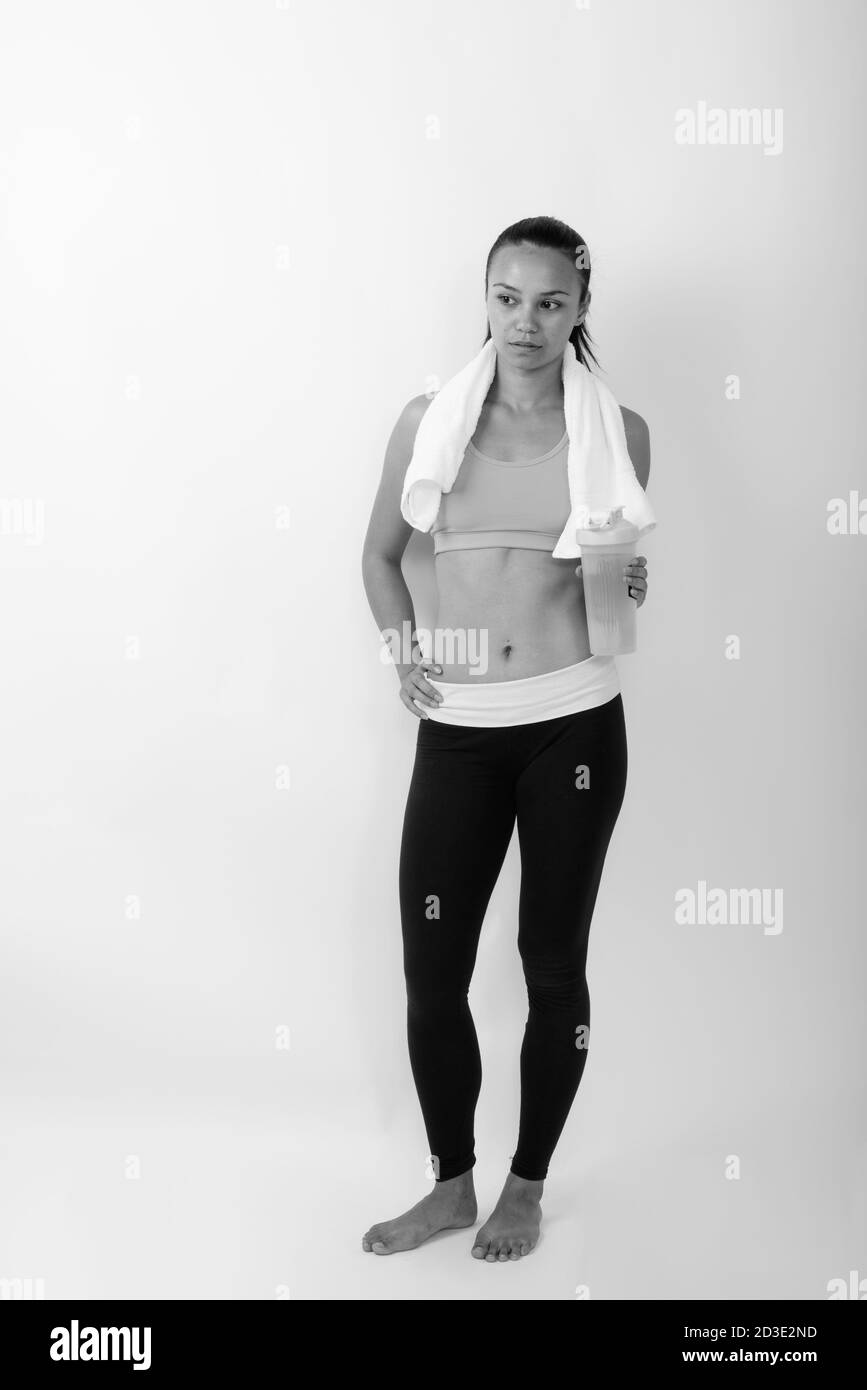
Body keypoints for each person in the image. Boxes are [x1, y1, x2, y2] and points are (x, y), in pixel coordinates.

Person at [360, 216, 650, 1262]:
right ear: (485, 299)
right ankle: (450, 1181)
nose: (527, 321)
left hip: (573, 720)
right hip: (462, 730)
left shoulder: (617, 433)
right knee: (432, 973)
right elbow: (381, 556)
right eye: (507, 297)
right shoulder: (425, 422)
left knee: (551, 965)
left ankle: (525, 1185)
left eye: (551, 301)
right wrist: (404, 650)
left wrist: (624, 587)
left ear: (580, 309)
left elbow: (613, 607)